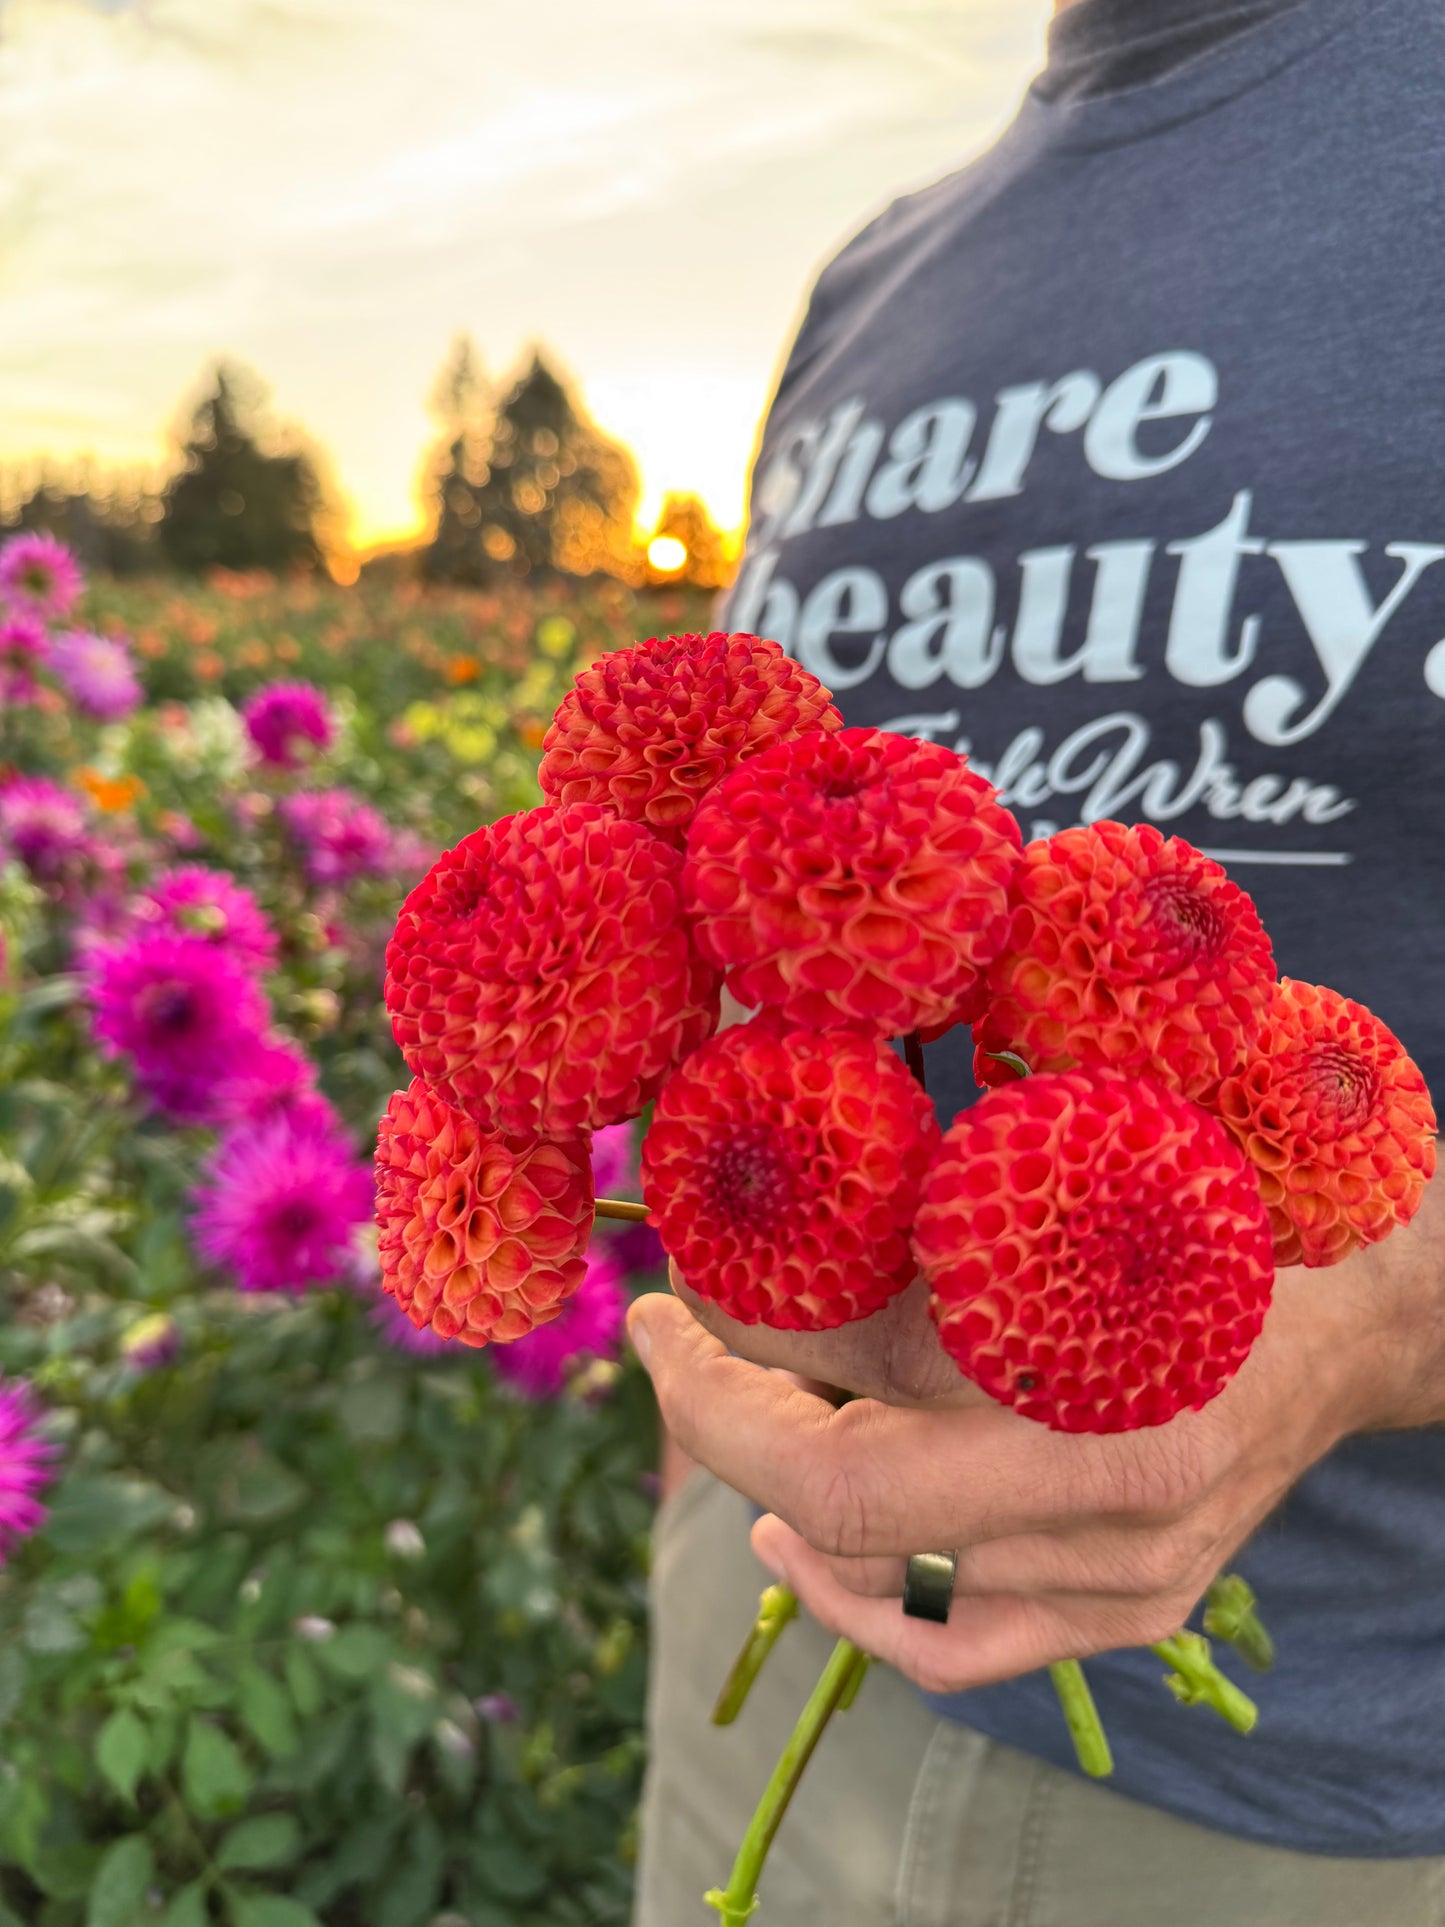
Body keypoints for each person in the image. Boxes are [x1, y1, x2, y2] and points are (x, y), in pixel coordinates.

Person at [627, 0, 1445, 1920]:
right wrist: (709, 1480)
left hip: (1304, 1793)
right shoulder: (876, 275)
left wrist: (1382, 1322)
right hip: (762, 1642)